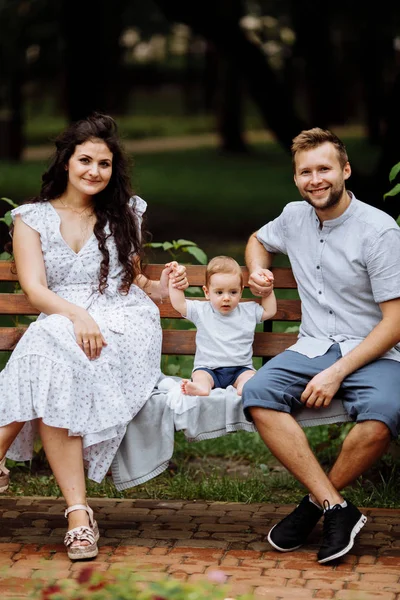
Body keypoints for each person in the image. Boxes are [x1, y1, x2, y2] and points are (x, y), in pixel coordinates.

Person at [0, 113, 188, 561]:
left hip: (124, 322)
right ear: (66, 162)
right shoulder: (32, 218)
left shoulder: (126, 212)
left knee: (45, 347)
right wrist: (78, 315)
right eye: (85, 160)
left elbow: (135, 281)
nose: (94, 171)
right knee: (50, 355)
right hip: (65, 318)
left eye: (103, 164)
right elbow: (35, 288)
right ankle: (78, 515)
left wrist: (165, 290)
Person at [242, 127, 400, 564]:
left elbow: (395, 324)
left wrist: (337, 371)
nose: (315, 180)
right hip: (311, 345)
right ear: (296, 178)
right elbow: (258, 239)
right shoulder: (293, 216)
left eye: (325, 169)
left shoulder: (379, 232)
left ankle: (315, 505)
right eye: (305, 172)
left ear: (345, 170)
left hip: (375, 350)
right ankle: (335, 505)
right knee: (257, 393)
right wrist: (258, 271)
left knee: (383, 415)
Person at [169, 255, 277, 396]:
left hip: (241, 369)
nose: (226, 298)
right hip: (208, 368)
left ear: (241, 291)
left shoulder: (248, 311)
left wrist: (267, 290)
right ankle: (201, 387)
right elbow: (180, 304)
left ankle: (244, 387)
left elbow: (270, 311)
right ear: (207, 293)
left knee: (249, 377)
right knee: (201, 376)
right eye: (219, 292)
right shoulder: (201, 311)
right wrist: (174, 280)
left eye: (233, 292)